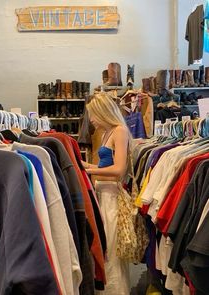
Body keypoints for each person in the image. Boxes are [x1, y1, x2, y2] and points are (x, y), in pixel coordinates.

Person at [81, 92, 132, 295]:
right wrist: (87, 165)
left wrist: (89, 170)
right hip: (103, 194)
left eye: (93, 114)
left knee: (111, 252)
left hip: (112, 196)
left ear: (103, 112)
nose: (91, 119)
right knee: (104, 249)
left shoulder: (119, 131)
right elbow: (106, 165)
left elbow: (119, 169)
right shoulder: (106, 132)